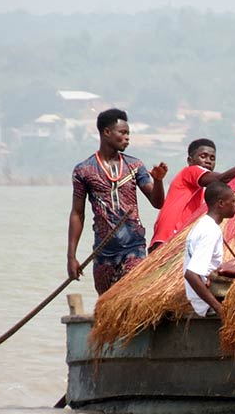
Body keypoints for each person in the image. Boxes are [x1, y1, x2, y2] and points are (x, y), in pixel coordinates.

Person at [68, 108, 167, 294]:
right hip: (103, 252)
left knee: (132, 296)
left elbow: (158, 202)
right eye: (122, 133)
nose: (127, 138)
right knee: (106, 304)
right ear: (106, 132)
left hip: (134, 248)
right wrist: (71, 257)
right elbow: (77, 214)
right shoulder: (83, 171)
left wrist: (159, 181)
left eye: (128, 133)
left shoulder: (135, 166)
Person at [149, 138, 235, 250]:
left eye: (212, 158)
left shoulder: (204, 192)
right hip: (168, 239)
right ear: (190, 160)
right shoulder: (190, 171)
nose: (208, 161)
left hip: (175, 242)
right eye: (203, 156)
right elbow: (223, 178)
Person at [183, 182, 235, 318]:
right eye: (233, 201)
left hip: (203, 298)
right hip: (206, 303)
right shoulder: (210, 231)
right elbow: (191, 274)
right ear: (221, 204)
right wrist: (219, 308)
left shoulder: (204, 225)